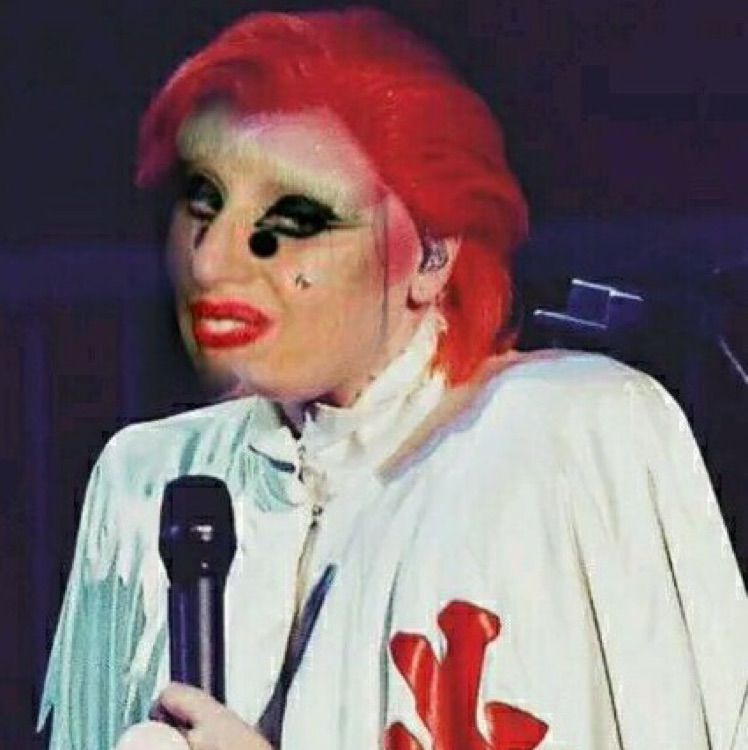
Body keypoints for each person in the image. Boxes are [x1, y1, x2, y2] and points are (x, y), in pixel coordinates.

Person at [38, 7, 747, 750]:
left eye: (294, 216)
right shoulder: (144, 480)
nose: (213, 260)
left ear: (432, 253)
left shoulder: (573, 439)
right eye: (205, 206)